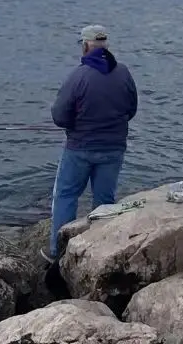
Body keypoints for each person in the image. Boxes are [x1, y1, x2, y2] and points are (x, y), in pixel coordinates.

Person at [44, 25, 139, 261]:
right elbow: (131, 109)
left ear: (86, 46)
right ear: (106, 46)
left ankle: (58, 253)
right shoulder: (123, 72)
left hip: (80, 148)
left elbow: (59, 116)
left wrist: (75, 124)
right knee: (105, 200)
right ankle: (101, 253)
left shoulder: (78, 76)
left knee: (66, 195)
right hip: (114, 147)